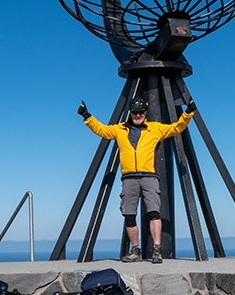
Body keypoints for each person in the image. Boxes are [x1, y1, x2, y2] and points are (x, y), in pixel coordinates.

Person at [77, 96, 196, 264]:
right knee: (129, 215)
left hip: (149, 176)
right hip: (129, 177)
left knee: (154, 212)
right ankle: (135, 251)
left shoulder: (155, 129)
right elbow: (102, 130)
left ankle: (156, 250)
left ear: (144, 112)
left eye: (140, 112)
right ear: (130, 113)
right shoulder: (120, 130)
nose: (138, 115)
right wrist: (87, 116)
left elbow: (176, 127)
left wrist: (188, 113)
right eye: (135, 112)